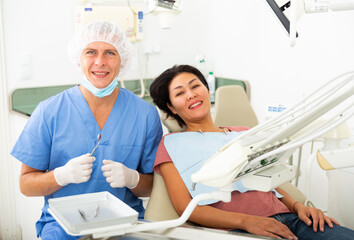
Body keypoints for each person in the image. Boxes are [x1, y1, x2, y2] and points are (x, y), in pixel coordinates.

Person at [149, 64, 354, 240]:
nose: (191, 94)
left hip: (291, 218)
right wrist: (247, 222)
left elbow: (271, 183)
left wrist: (299, 207)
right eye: (180, 93)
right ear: (171, 108)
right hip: (239, 230)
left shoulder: (244, 133)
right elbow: (185, 207)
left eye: (195, 86)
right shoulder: (172, 144)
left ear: (206, 90)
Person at [11, 21, 163, 239]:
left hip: (126, 223)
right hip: (63, 224)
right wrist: (61, 176)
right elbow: (26, 185)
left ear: (123, 60)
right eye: (90, 52)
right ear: (78, 58)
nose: (100, 62)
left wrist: (133, 179)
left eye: (110, 52)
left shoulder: (145, 114)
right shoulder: (49, 111)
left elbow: (151, 187)